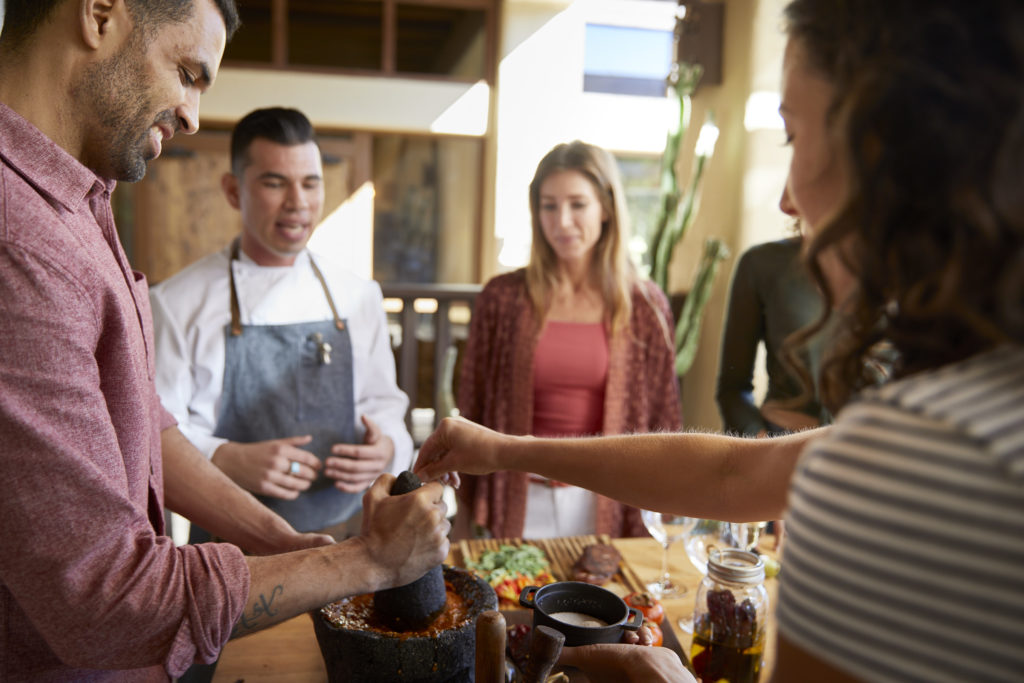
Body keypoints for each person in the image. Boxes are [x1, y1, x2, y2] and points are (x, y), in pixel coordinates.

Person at [416, 1, 1024, 681]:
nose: (789, 200)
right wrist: (504, 450)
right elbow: (733, 473)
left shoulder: (909, 460)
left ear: (888, 150)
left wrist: (667, 678)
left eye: (791, 136)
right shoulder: (971, 414)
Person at [0, 2, 449, 680]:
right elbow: (105, 597)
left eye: (310, 183)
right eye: (186, 72)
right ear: (99, 13)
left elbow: (142, 423)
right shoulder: (20, 239)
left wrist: (282, 540)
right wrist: (366, 562)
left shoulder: (83, 202)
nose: (191, 114)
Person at [151, 107, 413, 541]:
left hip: (352, 537)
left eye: (311, 183)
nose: (298, 202)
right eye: (275, 183)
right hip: (229, 548)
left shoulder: (357, 296)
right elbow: (155, 436)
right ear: (233, 191)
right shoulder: (177, 303)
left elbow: (385, 405)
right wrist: (224, 456)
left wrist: (386, 448)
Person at [456, 140, 681, 540]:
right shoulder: (503, 297)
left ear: (607, 208)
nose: (562, 221)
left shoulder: (645, 306)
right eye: (549, 205)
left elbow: (665, 418)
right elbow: (472, 403)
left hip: (603, 500)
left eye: (578, 204)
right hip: (518, 496)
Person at [716, 213, 830, 437]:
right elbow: (732, 389)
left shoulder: (898, 267)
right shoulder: (762, 263)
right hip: (780, 442)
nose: (784, 203)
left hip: (874, 450)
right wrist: (760, 441)